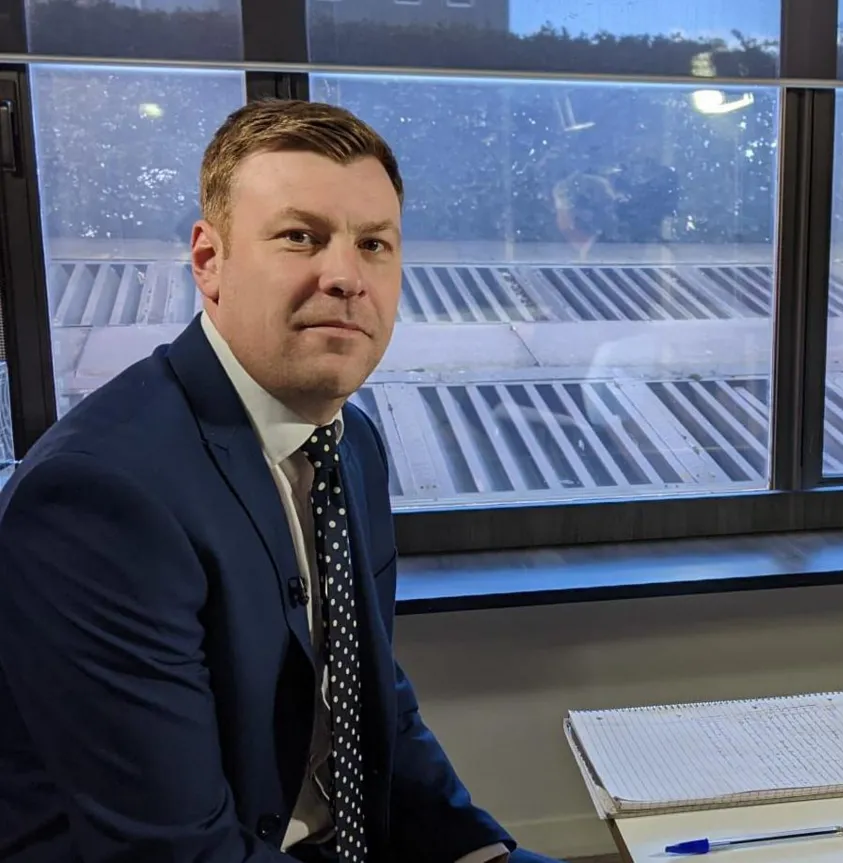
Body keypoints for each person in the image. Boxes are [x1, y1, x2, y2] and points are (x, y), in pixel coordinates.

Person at [0, 100, 562, 863]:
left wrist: (484, 856)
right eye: (300, 237)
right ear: (209, 262)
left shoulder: (347, 440)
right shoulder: (99, 499)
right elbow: (176, 851)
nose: (345, 276)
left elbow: (370, 702)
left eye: (374, 244)